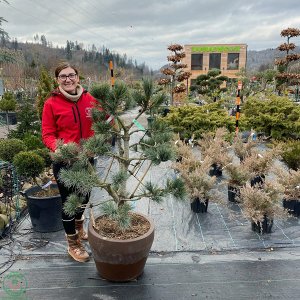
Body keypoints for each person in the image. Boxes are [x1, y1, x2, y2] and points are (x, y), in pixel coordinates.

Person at [42, 62, 99, 263]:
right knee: (69, 203)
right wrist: (58, 148)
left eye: (71, 75)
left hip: (87, 158)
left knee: (84, 196)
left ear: (77, 77)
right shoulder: (51, 103)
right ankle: (72, 243)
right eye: (63, 76)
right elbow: (47, 133)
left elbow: (104, 117)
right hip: (65, 160)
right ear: (57, 80)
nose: (68, 79)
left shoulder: (89, 99)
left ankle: (79, 225)